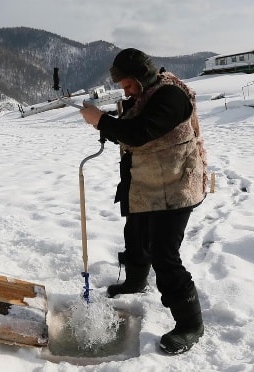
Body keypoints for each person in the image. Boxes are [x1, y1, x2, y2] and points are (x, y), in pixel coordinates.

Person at [79, 48, 208, 354]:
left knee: (164, 254)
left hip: (176, 187)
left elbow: (140, 132)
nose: (127, 91)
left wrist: (100, 121)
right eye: (124, 87)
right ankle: (136, 281)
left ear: (142, 76)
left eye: (128, 85)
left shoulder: (172, 97)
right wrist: (107, 119)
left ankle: (191, 324)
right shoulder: (147, 93)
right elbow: (133, 126)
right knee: (136, 232)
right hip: (148, 183)